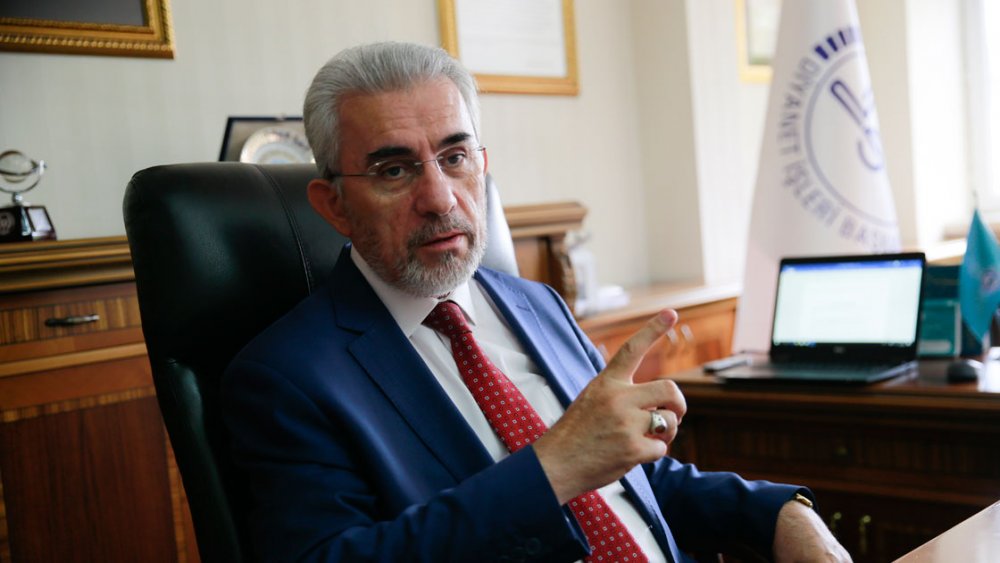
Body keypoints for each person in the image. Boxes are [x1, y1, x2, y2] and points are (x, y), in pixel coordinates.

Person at [222, 41, 850, 563]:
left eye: (455, 157)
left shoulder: (536, 305)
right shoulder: (287, 377)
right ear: (333, 205)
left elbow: (632, 481)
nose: (439, 198)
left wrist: (780, 513)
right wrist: (552, 469)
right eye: (394, 170)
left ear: (481, 165)